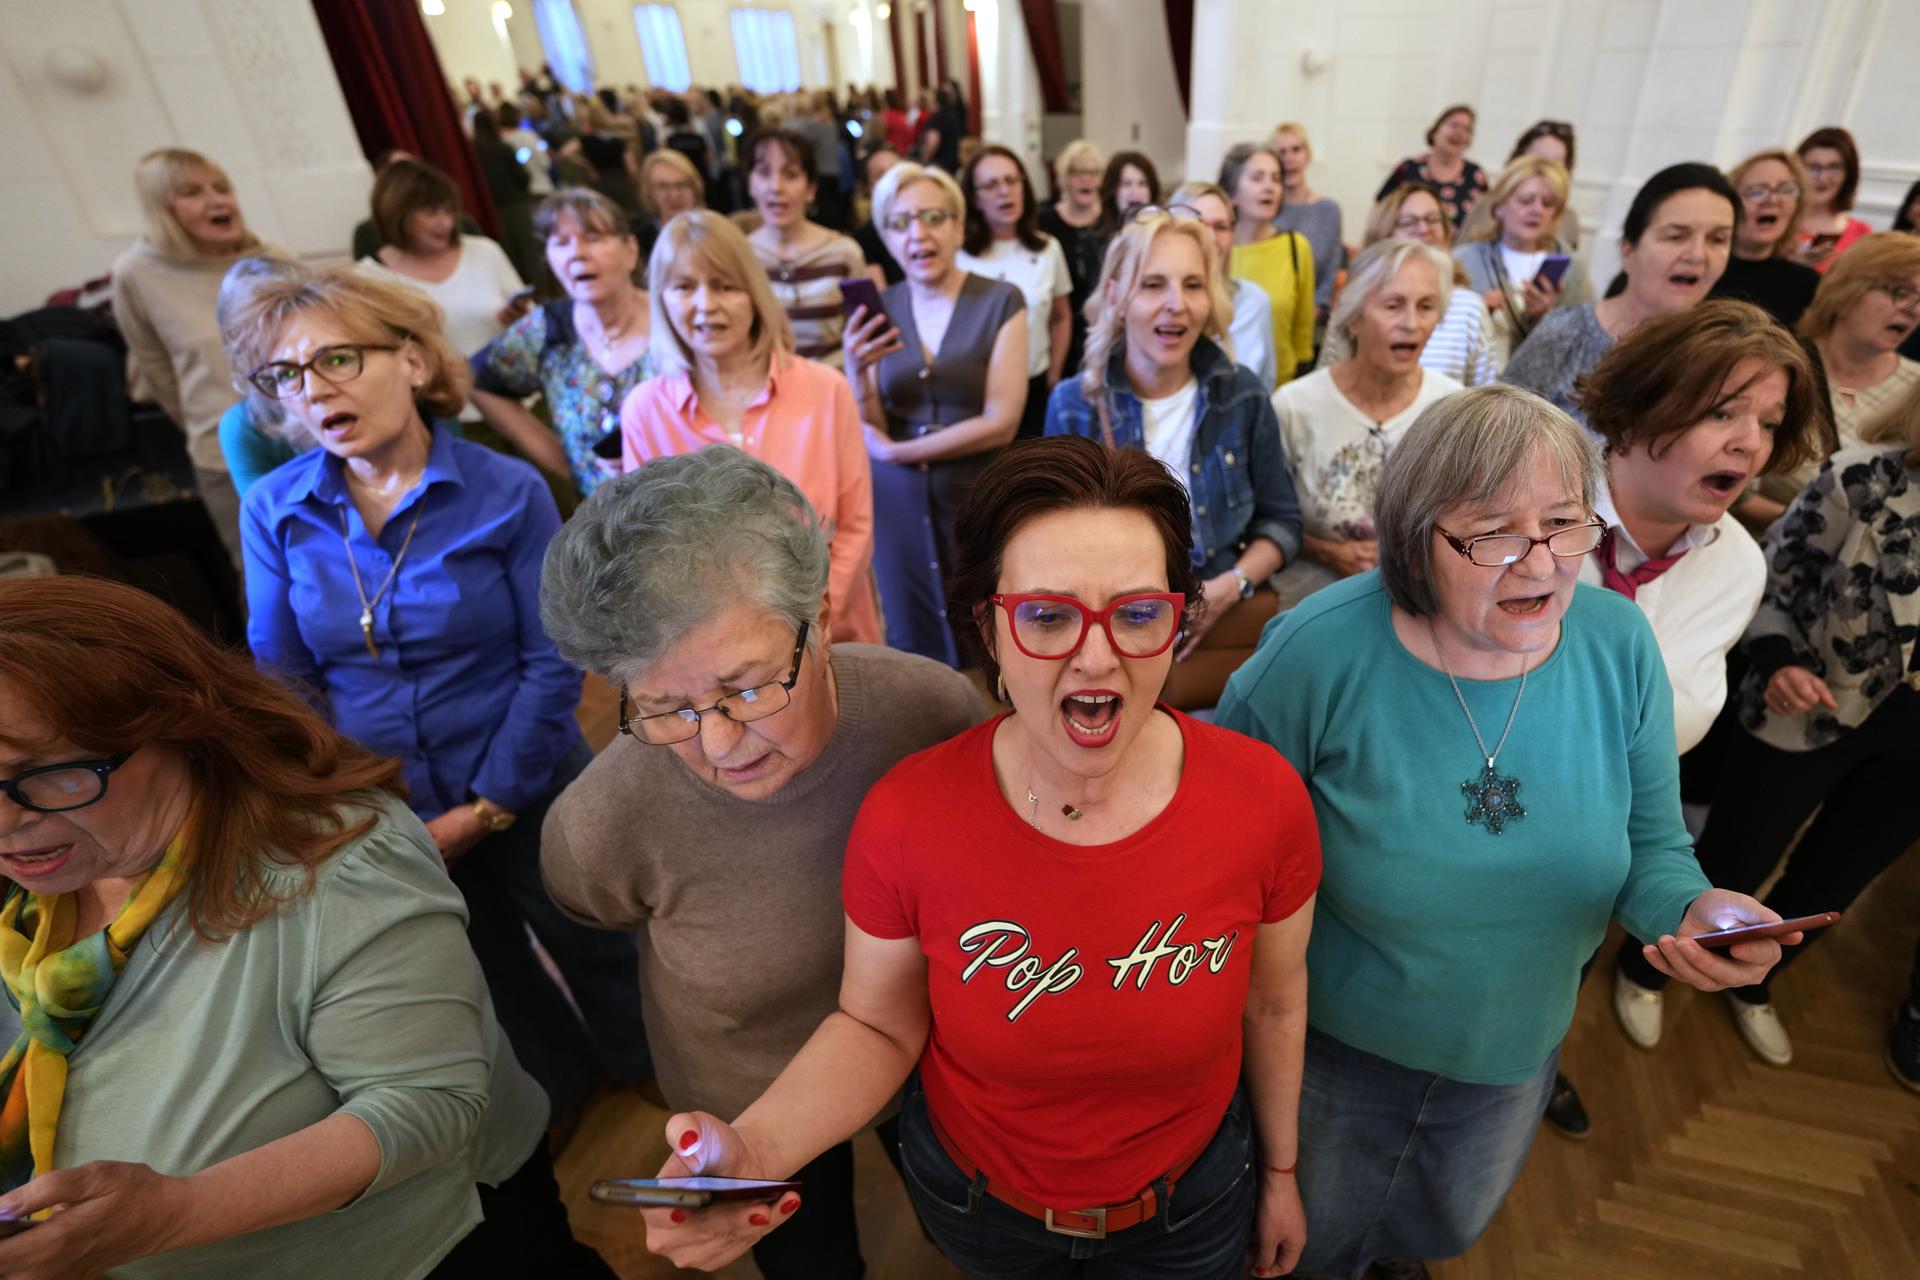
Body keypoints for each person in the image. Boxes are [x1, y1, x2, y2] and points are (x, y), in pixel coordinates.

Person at [637, 434, 1321, 1280]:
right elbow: (878, 1023)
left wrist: (1282, 1175)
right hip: (982, 1213)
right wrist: (754, 1150)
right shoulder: (906, 817)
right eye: (1046, 615)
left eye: (1138, 614)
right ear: (989, 630)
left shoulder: (1264, 800)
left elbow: (1276, 1009)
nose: (1097, 656)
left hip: (1195, 1207)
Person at [1216, 383, 1795, 1280]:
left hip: (1517, 1049)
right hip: (1330, 1053)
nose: (1541, 565)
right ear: (1414, 535)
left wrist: (1692, 912)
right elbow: (1217, 865)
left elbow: (1652, 847)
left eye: (1567, 524)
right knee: (1304, 1245)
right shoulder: (1316, 655)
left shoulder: (1616, 642)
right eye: (1492, 534)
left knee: (1438, 1227)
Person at [0, 576, 608, 1278]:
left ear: (172, 723)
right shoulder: (42, 869)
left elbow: (427, 1104)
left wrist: (176, 1211)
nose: (8, 823)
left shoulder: (338, 863)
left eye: (44, 774)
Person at [536, 448, 981, 1280]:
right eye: (665, 707)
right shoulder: (601, 825)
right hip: (745, 1097)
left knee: (950, 1222)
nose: (717, 744)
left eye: (745, 687)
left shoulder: (931, 713)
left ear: (820, 616)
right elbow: (589, 903)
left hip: (927, 1057)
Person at [230, 264, 650, 1133]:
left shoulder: (506, 492)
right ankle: (557, 1096)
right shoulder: (273, 508)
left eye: (338, 359)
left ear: (414, 360)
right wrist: (347, 800)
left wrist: (491, 805)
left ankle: (645, 1069)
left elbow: (550, 662)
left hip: (527, 769)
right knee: (476, 963)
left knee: (592, 939)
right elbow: (282, 673)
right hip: (385, 800)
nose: (314, 391)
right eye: (289, 375)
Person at [1611, 384, 1920, 1071]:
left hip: (1913, 738)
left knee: (1841, 873)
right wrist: (1778, 662)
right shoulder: (1863, 476)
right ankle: (1648, 968)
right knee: (1737, 856)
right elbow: (1773, 585)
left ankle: (1759, 981)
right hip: (1809, 706)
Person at [1045, 210, 1303, 709]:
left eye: (1193, 284)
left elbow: (1283, 523)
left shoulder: (1242, 395)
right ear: (1118, 295)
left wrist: (1227, 589)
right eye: (1153, 285)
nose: (1175, 305)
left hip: (1218, 652)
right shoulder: (1075, 403)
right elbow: (1054, 543)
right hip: (1109, 651)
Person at [620, 210, 883, 644]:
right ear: (661, 299)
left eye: (724, 285)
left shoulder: (827, 390)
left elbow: (855, 529)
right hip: (712, 654)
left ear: (755, 293)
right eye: (684, 287)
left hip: (832, 636)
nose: (706, 305)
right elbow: (652, 551)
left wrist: (801, 630)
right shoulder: (645, 412)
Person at [840, 162, 1026, 665]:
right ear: (886, 235)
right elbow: (873, 420)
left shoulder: (1001, 300)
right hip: (897, 501)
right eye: (900, 223)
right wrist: (856, 372)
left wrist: (905, 451)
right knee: (911, 634)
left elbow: (1001, 421)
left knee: (989, 630)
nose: (917, 233)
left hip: (973, 492)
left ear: (959, 226)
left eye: (933, 217)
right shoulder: (881, 305)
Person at [111, 148, 289, 568]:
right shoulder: (135, 273)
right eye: (192, 192)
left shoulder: (275, 258)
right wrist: (211, 424)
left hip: (309, 438)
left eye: (222, 188)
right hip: (224, 457)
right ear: (161, 208)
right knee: (263, 576)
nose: (217, 201)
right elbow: (157, 372)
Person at [1271, 239, 1461, 608]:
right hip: (1310, 606)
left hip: (1417, 610)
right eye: (1393, 306)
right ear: (1354, 317)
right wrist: (1328, 551)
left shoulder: (1452, 409)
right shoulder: (1294, 406)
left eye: (1426, 307)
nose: (1411, 323)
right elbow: (1266, 520)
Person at [1504, 163, 1738, 426]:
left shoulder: (1725, 356)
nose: (1697, 255)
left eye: (1717, 240)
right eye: (1676, 236)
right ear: (1628, 249)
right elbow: (1497, 435)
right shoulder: (1566, 332)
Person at [471, 188, 653, 496]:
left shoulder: (671, 315)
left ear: (630, 251)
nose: (577, 253)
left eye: (593, 238)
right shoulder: (546, 329)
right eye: (561, 243)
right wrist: (562, 460)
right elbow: (476, 380)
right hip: (605, 522)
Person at [1751, 232, 1920, 522]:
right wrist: (1809, 526)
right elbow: (1731, 484)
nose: (1915, 310)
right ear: (1846, 291)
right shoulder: (1774, 365)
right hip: (1766, 554)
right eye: (1901, 292)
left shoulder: (1915, 386)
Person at [354, 157, 530, 425]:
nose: (445, 223)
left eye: (449, 212)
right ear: (397, 213)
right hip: (446, 421)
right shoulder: (371, 279)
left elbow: (534, 324)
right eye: (431, 213)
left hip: (522, 403)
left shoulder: (483, 251)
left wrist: (518, 319)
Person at [957, 146, 1073, 439]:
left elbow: (1061, 316)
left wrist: (1055, 373)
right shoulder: (959, 256)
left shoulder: (1048, 248)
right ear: (974, 198)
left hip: (1035, 386)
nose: (1004, 192)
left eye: (1011, 181)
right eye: (991, 185)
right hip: (976, 392)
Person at [744, 128, 878, 368]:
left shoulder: (843, 253)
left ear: (811, 189)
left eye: (791, 174)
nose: (776, 186)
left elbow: (866, 336)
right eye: (764, 173)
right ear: (750, 184)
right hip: (763, 395)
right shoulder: (739, 256)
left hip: (834, 392)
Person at [1455, 157, 1590, 364]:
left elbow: (1577, 349)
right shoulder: (1464, 259)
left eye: (1548, 204)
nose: (1537, 210)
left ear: (1556, 214)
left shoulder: (1571, 268)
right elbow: (1444, 335)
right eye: (1526, 200)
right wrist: (1478, 314)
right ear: (1499, 206)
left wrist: (1543, 319)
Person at [1367, 181, 1499, 386]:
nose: (1423, 229)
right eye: (1409, 221)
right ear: (1385, 233)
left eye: (1433, 219)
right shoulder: (1364, 300)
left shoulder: (1469, 307)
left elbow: (1484, 395)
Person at [1169, 180, 1278, 388]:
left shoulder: (1253, 302)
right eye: (1198, 225)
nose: (1211, 237)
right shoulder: (1162, 303)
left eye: (1221, 227)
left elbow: (1263, 385)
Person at [1223, 143, 1315, 388]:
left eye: (1276, 179)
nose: (1269, 187)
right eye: (1257, 178)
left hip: (1280, 388)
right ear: (1232, 192)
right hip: (1224, 386)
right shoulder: (1216, 249)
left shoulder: (1296, 247)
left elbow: (1302, 333)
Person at [1710, 150, 1821, 330]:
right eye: (1756, 191)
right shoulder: (1704, 268)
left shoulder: (1806, 284)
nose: (1772, 199)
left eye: (1786, 189)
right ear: (1729, 202)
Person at [1039, 138, 1110, 382]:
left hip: (1102, 334)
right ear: (1064, 178)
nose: (1085, 179)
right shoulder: (1045, 222)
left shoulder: (1111, 223)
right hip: (1057, 334)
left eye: (1092, 172)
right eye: (1077, 172)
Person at [1270, 122, 1343, 324]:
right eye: (1281, 152)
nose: (1289, 158)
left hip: (1313, 319)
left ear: (1307, 156)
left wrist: (1314, 310)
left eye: (1296, 149)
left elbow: (1331, 270)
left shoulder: (1328, 210)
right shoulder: (1264, 211)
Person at [1377, 104, 1490, 230]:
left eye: (1467, 129)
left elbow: (1487, 220)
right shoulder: (1409, 168)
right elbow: (1379, 208)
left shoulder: (1475, 175)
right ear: (1435, 132)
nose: (1459, 132)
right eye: (1454, 125)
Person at [1793, 126, 1872, 272]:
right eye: (1813, 167)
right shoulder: (1779, 224)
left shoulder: (1862, 234)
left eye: (1833, 167)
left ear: (1849, 174)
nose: (1822, 178)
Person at [1507, 120, 1580, 246]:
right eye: (1537, 159)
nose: (1544, 170)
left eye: (1555, 163)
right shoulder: (1488, 206)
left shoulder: (1568, 220)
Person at [635, 146, 706, 258]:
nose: (674, 195)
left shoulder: (716, 234)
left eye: (681, 185)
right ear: (648, 193)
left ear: (695, 188)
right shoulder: (639, 244)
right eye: (663, 187)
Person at [851, 142, 905, 284]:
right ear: (869, 188)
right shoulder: (866, 237)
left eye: (896, 171)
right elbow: (882, 298)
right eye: (880, 175)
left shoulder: (925, 223)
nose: (891, 179)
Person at [1100, 150, 1161, 229]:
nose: (1135, 192)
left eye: (1142, 183)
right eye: (1127, 184)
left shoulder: (1164, 233)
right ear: (1112, 189)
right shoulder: (1096, 237)